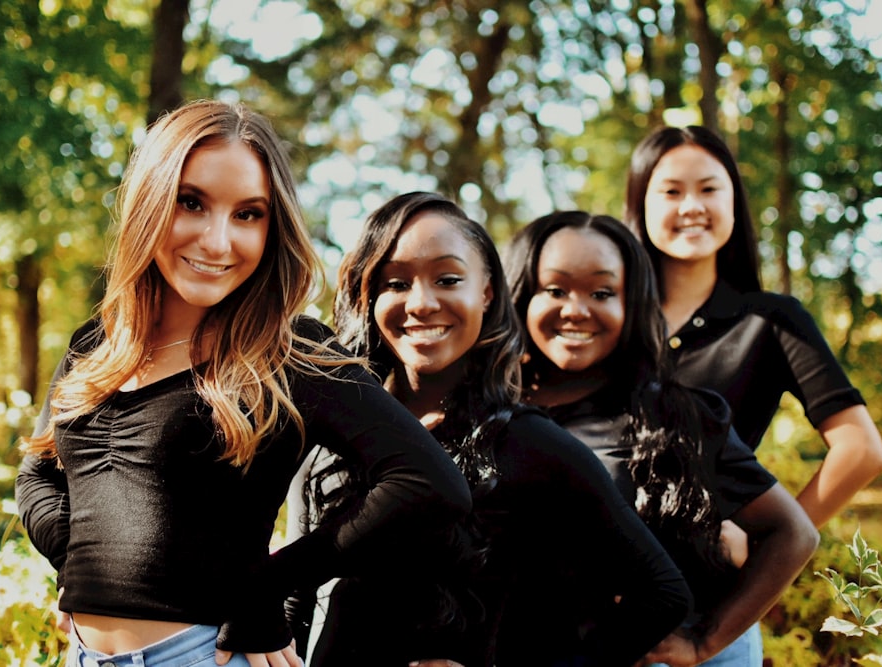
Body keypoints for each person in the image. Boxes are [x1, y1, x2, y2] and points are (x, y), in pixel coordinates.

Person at [14, 100, 473, 667]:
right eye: (191, 203)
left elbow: (428, 482)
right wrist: (79, 563)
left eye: (248, 214)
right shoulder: (97, 343)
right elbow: (37, 475)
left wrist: (263, 586)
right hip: (83, 657)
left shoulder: (289, 352)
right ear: (148, 202)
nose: (217, 241)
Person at [288, 192, 692, 667]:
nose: (420, 303)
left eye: (448, 279)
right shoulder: (329, 436)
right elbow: (292, 601)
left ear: (487, 292)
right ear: (368, 296)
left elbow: (663, 593)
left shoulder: (532, 444)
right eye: (395, 282)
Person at [503, 210, 820, 666]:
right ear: (519, 295)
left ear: (631, 305)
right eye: (554, 289)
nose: (576, 309)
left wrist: (705, 642)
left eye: (602, 292)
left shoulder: (672, 416)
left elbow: (792, 532)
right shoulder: (487, 408)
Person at [623, 124, 882, 530]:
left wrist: (772, 541)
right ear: (640, 203)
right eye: (671, 192)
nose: (692, 206)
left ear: (734, 203)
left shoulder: (772, 321)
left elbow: (861, 450)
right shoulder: (611, 319)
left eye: (709, 189)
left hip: (706, 578)